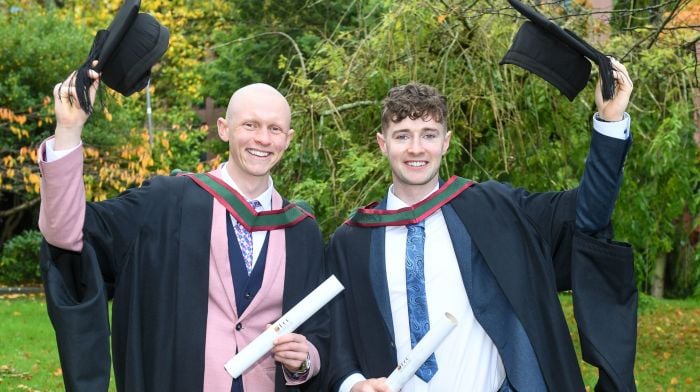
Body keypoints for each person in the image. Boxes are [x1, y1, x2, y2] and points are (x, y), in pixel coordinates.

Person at [325, 58, 637, 392]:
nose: (416, 148)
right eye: (402, 136)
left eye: (429, 135)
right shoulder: (353, 240)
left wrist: (610, 121)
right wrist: (353, 386)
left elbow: (589, 211)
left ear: (446, 142)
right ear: (382, 144)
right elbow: (337, 344)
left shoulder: (495, 211)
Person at [38, 68, 327, 392]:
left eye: (275, 129)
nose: (263, 138)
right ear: (224, 128)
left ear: (288, 139)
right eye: (250, 125)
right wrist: (68, 130)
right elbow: (66, 232)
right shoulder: (165, 203)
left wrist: (306, 360)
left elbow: (321, 331)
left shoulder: (301, 231)